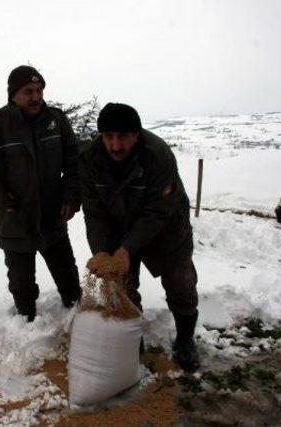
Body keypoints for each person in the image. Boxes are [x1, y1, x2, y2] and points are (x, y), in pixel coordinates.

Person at [79, 103, 199, 371]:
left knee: (181, 285)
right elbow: (93, 211)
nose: (115, 145)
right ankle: (133, 342)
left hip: (166, 229)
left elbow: (158, 211)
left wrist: (127, 249)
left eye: (122, 137)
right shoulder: (89, 159)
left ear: (137, 134)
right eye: (108, 136)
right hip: (118, 227)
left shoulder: (158, 155)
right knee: (123, 289)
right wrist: (101, 252)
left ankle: (185, 340)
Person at [0, 65, 82, 321]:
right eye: (28, 91)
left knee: (71, 285)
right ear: (13, 95)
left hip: (53, 217)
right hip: (14, 220)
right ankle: (26, 325)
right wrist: (1, 198)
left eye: (39, 89)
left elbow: (75, 163)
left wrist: (71, 197)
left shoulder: (56, 121)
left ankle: (77, 319)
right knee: (22, 288)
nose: (36, 96)